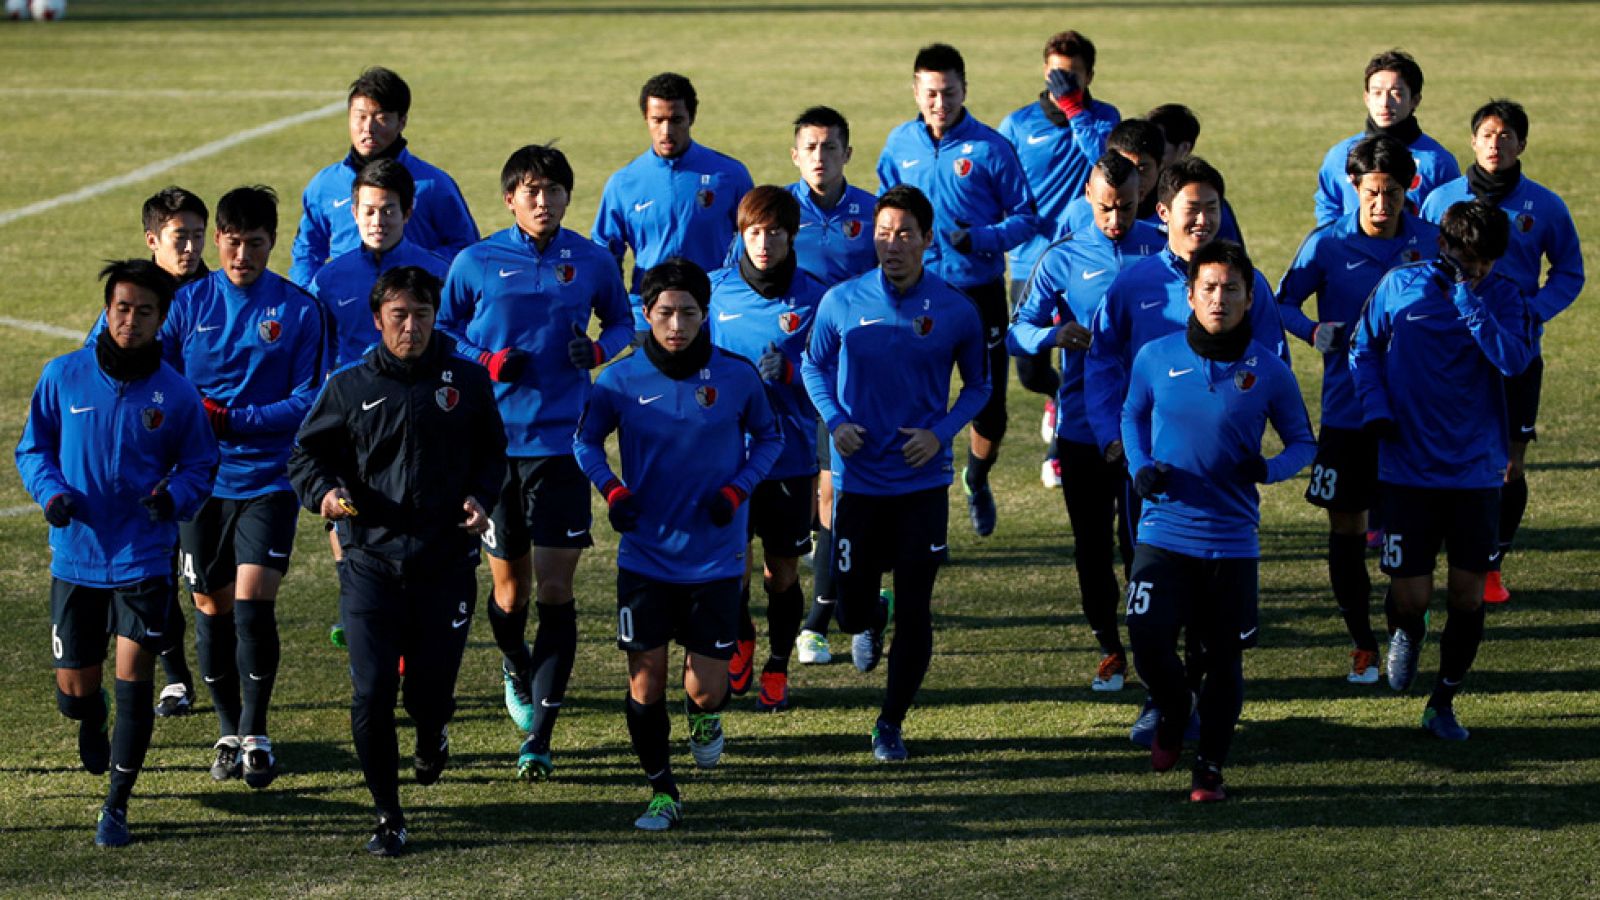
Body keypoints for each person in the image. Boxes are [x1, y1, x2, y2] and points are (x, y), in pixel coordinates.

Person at [288, 266, 506, 857]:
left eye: (422, 315)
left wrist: (481, 499)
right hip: (370, 564)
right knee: (372, 692)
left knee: (428, 695)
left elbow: (493, 455)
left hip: (445, 562)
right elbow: (305, 457)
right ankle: (388, 815)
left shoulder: (466, 382)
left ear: (437, 317)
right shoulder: (349, 386)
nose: (410, 328)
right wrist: (326, 496)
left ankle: (433, 731)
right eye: (399, 316)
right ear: (378, 318)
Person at [438, 144, 633, 782]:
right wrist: (487, 362)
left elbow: (627, 323)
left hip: (564, 450)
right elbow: (443, 332)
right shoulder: (475, 261)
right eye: (530, 190)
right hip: (493, 453)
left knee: (555, 590)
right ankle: (513, 663)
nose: (542, 201)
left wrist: (599, 348)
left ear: (567, 197)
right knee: (510, 592)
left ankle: (540, 737)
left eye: (552, 190)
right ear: (509, 200)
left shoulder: (593, 259)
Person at [1085, 158, 1290, 747]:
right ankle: (1165, 697)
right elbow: (1101, 365)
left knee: (1214, 601)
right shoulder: (1134, 284)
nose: (1202, 219)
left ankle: (1198, 697)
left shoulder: (1247, 285)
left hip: (1222, 472)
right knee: (1147, 578)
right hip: (1149, 466)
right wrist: (1113, 439)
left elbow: (1272, 365)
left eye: (1213, 208)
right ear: (1164, 213)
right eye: (1192, 208)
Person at [574, 258, 781, 831]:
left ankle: (705, 717)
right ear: (646, 314)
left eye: (689, 312)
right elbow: (585, 442)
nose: (677, 323)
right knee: (645, 677)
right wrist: (613, 493)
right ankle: (663, 790)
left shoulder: (736, 377)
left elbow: (769, 438)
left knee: (707, 689)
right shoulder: (618, 380)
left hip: (715, 556)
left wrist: (737, 493)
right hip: (644, 555)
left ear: (704, 313)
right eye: (666, 312)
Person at [16, 260, 218, 846]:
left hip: (142, 558)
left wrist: (174, 496)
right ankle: (90, 714)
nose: (131, 319)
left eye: (144, 311)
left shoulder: (176, 395)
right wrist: (51, 494)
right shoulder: (63, 376)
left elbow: (201, 464)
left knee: (135, 678)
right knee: (74, 693)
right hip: (76, 556)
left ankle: (117, 806)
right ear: (107, 309)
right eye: (121, 307)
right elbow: (34, 449)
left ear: (162, 319)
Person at [1122, 239, 1315, 802]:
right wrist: (1138, 467)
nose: (1219, 298)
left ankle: (1209, 768)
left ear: (1250, 297)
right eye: (1209, 287)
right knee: (1148, 638)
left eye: (1231, 289)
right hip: (1163, 529)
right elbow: (1132, 412)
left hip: (1231, 540)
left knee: (1225, 659)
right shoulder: (1156, 356)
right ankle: (1176, 705)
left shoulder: (1269, 370)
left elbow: (1304, 442)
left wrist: (1269, 469)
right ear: (1190, 295)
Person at [802, 185, 990, 761]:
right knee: (852, 609)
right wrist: (835, 423)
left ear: (927, 239)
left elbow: (980, 385)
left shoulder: (956, 309)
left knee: (917, 607)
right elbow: (812, 365)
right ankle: (869, 615)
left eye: (905, 233)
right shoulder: (841, 302)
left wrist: (941, 433)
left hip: (922, 484)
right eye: (883, 233)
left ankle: (890, 721)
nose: (893, 244)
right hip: (859, 482)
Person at [1349, 200, 1535, 741]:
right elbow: (1363, 349)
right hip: (1408, 466)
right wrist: (1375, 409)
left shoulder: (1504, 298)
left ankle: (1443, 701)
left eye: (1487, 261)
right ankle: (1407, 630)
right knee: (1410, 597)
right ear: (1444, 245)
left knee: (1467, 596)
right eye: (1468, 257)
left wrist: (1467, 297)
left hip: (1475, 471)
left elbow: (1514, 361)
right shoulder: (1398, 286)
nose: (1478, 268)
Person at [161, 185, 327, 788]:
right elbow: (165, 383)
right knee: (211, 606)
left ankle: (257, 733)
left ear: (271, 243)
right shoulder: (188, 305)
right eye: (231, 244)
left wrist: (233, 420)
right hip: (199, 482)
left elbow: (310, 400)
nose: (241, 256)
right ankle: (228, 730)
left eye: (254, 245)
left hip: (268, 479)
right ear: (219, 240)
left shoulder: (299, 309)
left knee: (255, 606)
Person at [1277, 135, 1438, 683]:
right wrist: (1312, 330)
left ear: (1407, 188)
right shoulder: (1326, 244)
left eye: (1391, 192)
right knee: (1346, 529)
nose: (1380, 204)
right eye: (1372, 192)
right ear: (1354, 187)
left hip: (1415, 415)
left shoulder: (1432, 243)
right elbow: (1280, 303)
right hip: (1347, 414)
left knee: (1408, 533)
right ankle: (1362, 643)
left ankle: (1403, 631)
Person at [1007, 153, 1163, 693]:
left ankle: (1151, 642)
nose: (1115, 220)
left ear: (1142, 195)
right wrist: (1053, 336)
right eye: (1104, 208)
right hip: (1081, 429)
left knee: (1145, 541)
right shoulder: (1063, 257)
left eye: (1124, 207)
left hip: (1154, 426)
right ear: (1089, 200)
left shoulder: (1164, 247)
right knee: (1092, 544)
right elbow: (1016, 332)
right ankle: (1109, 648)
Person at [1419, 99, 1585, 604]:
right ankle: (1434, 556)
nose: (1496, 144)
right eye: (1487, 134)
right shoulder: (1441, 200)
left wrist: (1534, 311)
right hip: (1451, 351)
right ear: (1472, 141)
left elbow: (1570, 272)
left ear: (1522, 144)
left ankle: (1492, 563)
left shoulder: (1545, 206)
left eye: (1507, 135)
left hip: (1514, 351)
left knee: (1509, 464)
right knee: (1442, 452)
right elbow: (1423, 265)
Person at [876, 42, 1036, 538]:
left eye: (948, 92)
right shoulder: (898, 144)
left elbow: (1028, 218)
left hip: (976, 295)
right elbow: (883, 212)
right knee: (909, 405)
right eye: (930, 94)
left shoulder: (991, 148)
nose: (939, 103)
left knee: (989, 407)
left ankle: (976, 477)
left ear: (965, 89)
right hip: (912, 294)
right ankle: (922, 520)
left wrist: (981, 239)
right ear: (915, 91)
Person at [707, 186, 828, 710]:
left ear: (791, 235)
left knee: (781, 572)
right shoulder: (714, 293)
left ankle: (778, 662)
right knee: (730, 564)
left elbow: (838, 374)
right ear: (740, 235)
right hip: (725, 457)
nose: (762, 243)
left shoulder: (816, 297)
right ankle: (741, 638)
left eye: (773, 233)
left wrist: (795, 372)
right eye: (753, 233)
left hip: (790, 458)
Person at [784, 105, 878, 667]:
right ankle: (858, 590)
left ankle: (820, 619)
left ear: (848, 152)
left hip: (848, 374)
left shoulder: (872, 213)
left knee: (837, 490)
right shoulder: (775, 212)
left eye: (830, 147)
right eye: (810, 147)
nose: (820, 157)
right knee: (801, 496)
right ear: (795, 155)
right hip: (782, 374)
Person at [999, 30, 1120, 428]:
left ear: (1090, 76)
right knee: (1029, 369)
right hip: (1030, 261)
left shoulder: (1105, 119)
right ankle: (1056, 396)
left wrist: (1073, 109)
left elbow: (1108, 166)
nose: (1061, 84)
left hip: (1085, 259)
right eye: (1055, 75)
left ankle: (1064, 443)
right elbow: (998, 185)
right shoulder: (1017, 125)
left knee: (1085, 357)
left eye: (1071, 76)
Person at [593, 72, 754, 332]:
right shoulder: (624, 183)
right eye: (658, 120)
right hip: (649, 317)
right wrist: (619, 310)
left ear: (692, 117)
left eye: (676, 120)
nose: (666, 131)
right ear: (646, 118)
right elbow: (605, 254)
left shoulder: (729, 175)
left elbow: (753, 239)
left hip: (714, 314)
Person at [289, 66, 478, 286]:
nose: (368, 128)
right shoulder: (324, 185)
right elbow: (307, 251)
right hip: (348, 308)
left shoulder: (433, 185)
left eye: (381, 118)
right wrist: (313, 297)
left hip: (410, 311)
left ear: (402, 122)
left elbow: (466, 249)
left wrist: (418, 276)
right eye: (360, 117)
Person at [1313, 50, 1458, 225]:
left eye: (1396, 93)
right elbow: (1328, 208)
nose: (1385, 103)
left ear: (1415, 100)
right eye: (1377, 93)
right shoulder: (1339, 156)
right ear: (1366, 98)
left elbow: (1449, 220)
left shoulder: (1438, 162)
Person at [1143, 104, 1245, 246]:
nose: (1148, 150)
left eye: (1158, 144)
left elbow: (1233, 258)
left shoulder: (1211, 203)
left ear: (1184, 148)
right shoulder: (1132, 196)